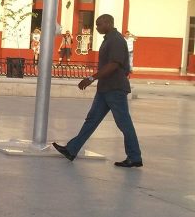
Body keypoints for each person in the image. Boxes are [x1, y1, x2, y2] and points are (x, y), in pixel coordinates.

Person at [52, 14, 143, 168]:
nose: (96, 27)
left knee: (124, 123)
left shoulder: (116, 40)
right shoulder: (109, 39)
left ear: (108, 23)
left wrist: (91, 78)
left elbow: (114, 64)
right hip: (105, 89)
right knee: (92, 119)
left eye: (99, 24)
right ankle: (71, 149)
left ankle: (134, 157)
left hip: (115, 89)